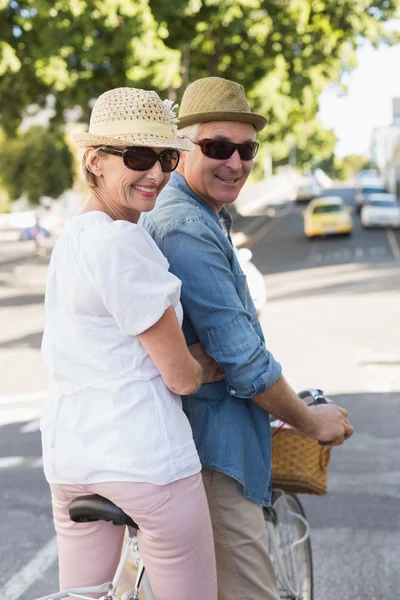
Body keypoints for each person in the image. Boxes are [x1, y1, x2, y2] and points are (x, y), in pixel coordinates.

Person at [141, 76, 355, 600]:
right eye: (217, 147)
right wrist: (310, 423)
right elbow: (247, 364)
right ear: (182, 148)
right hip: (216, 458)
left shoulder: (202, 214)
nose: (234, 162)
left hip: (210, 447)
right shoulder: (186, 227)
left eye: (246, 149)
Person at [40, 87, 218, 600]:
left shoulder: (74, 237)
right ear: (95, 161)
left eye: (166, 157)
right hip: (144, 460)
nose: (157, 174)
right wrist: (208, 365)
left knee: (83, 598)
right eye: (138, 157)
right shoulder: (121, 241)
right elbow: (181, 377)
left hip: (70, 458)